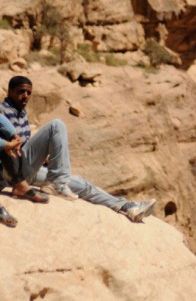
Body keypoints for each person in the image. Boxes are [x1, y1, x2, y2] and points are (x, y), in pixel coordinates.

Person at [0, 76, 156, 223]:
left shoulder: (21, 112)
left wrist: (43, 157)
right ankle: (57, 183)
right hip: (11, 172)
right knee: (56, 125)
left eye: (29, 93)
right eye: (21, 91)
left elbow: (24, 143)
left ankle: (127, 207)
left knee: (81, 184)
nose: (26, 96)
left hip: (27, 170)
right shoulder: (3, 111)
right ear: (10, 92)